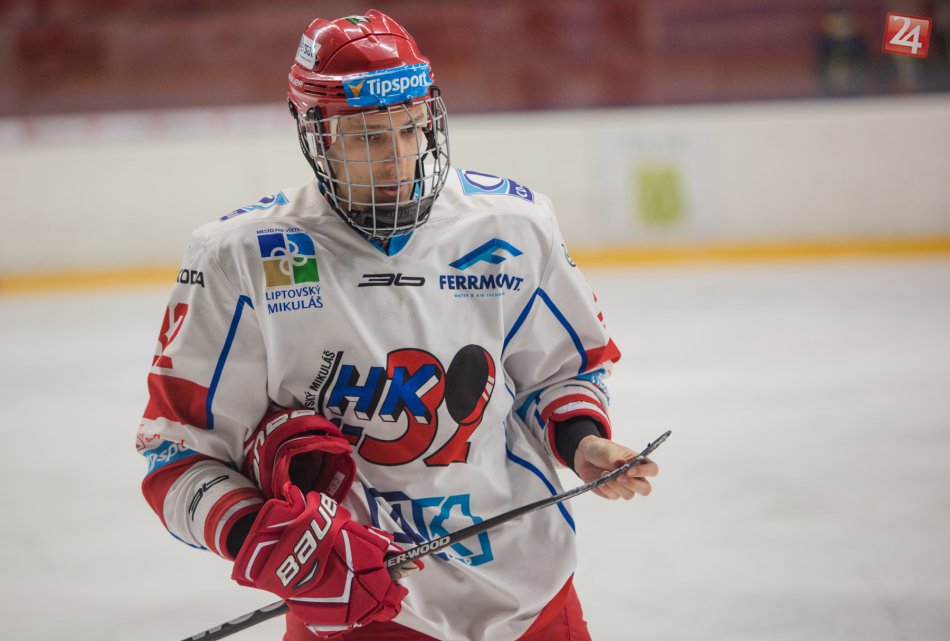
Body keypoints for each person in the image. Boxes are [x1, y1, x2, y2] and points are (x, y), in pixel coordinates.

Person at [136, 9, 659, 641]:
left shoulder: (511, 226)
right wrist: (271, 542)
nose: (400, 159)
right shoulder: (239, 259)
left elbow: (562, 372)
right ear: (317, 134)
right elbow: (177, 452)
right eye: (368, 138)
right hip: (354, 604)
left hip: (530, 591)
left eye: (411, 128)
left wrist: (582, 442)